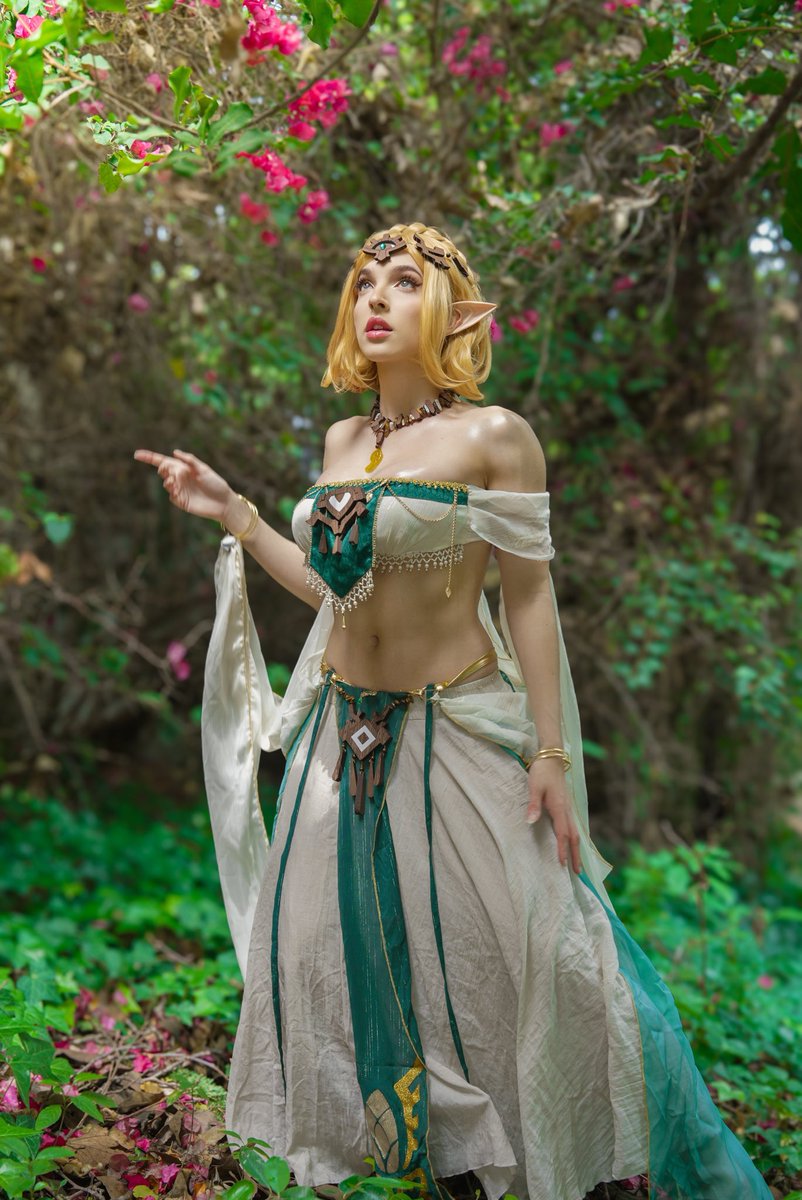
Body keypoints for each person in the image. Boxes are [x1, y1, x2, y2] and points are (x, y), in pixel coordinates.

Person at [134, 222, 773, 1200]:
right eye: (364, 283)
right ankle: (399, 1157)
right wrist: (235, 513)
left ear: (450, 311)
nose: (376, 298)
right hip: (338, 740)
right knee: (324, 953)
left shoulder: (495, 436)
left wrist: (551, 752)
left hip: (456, 728)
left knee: (536, 954)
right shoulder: (344, 440)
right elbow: (333, 589)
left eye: (402, 281)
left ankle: (547, 1150)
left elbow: (529, 596)